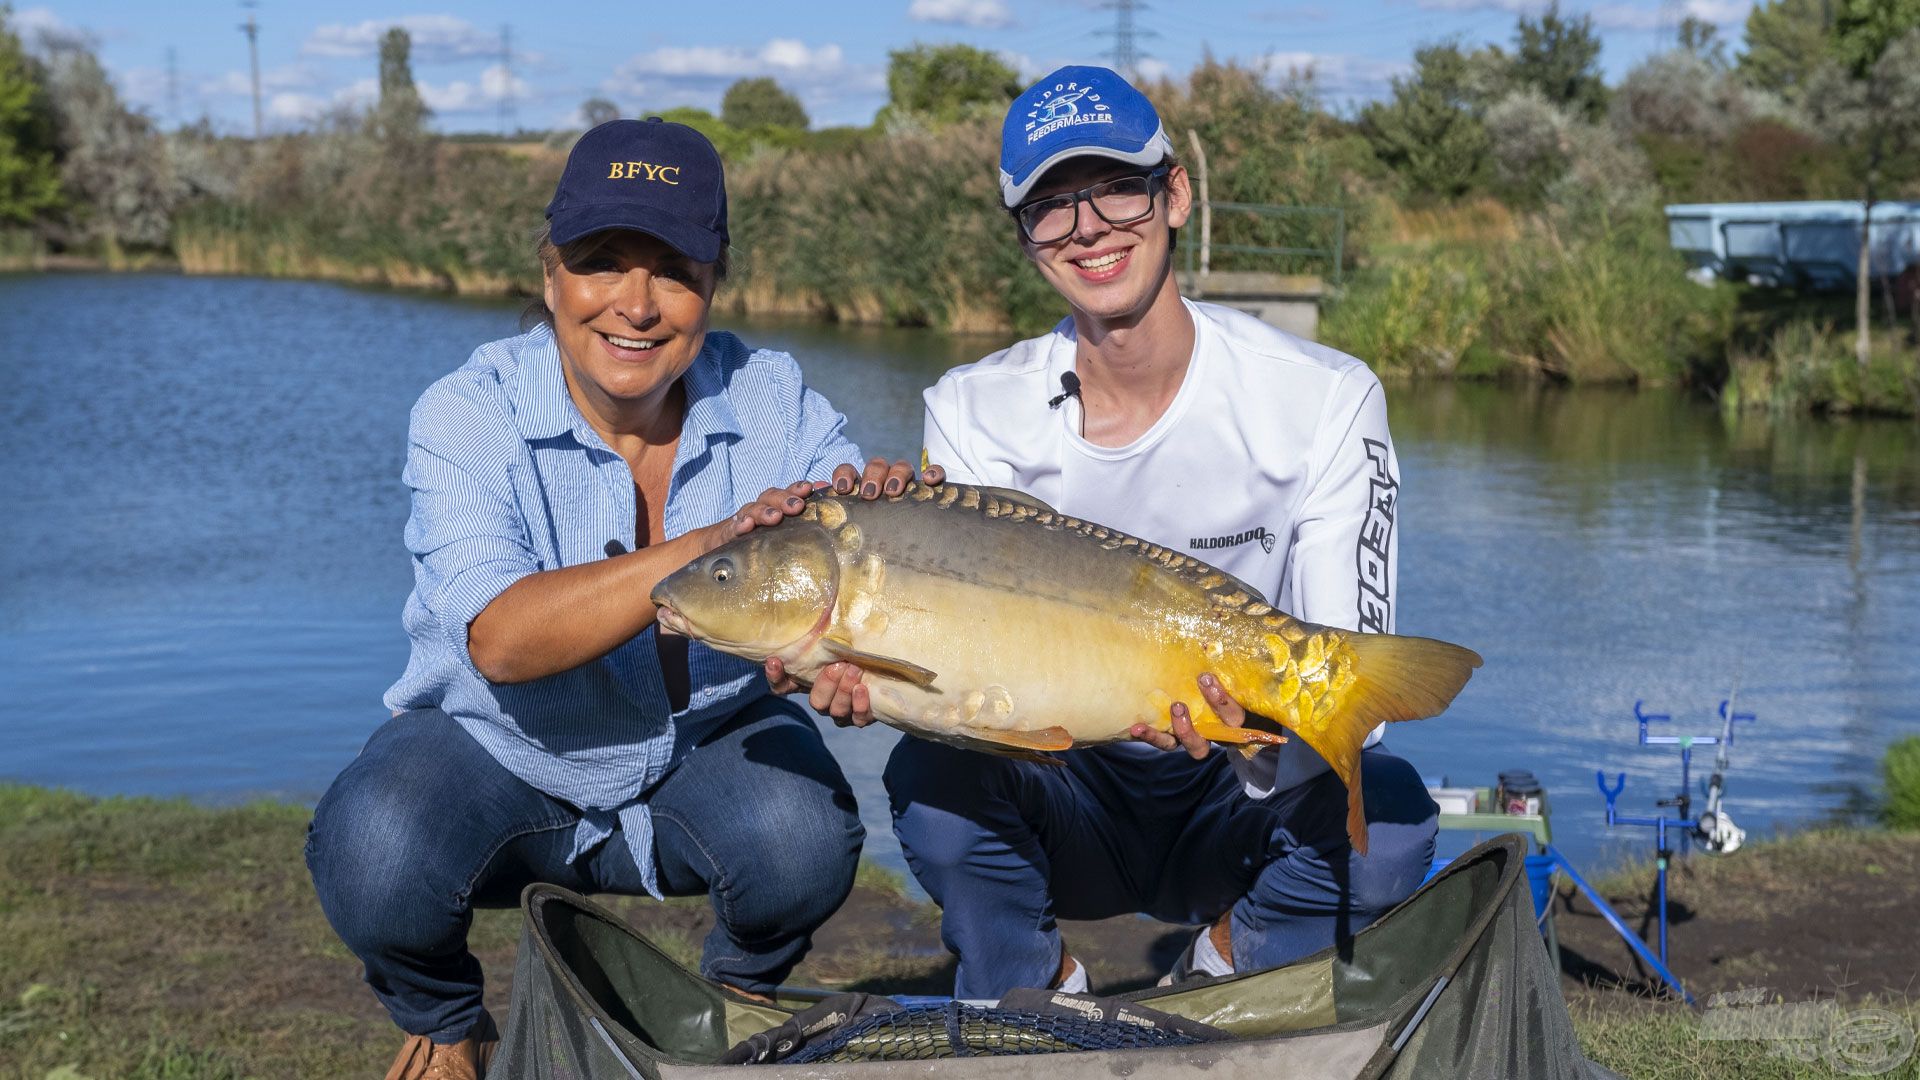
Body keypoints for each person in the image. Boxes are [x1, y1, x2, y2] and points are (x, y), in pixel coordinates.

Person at [304, 118, 927, 1080]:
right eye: (602, 262)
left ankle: (736, 997)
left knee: (803, 840)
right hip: (496, 744)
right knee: (373, 847)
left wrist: (857, 637)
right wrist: (711, 543)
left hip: (706, 748)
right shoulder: (466, 411)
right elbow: (504, 642)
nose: (635, 305)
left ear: (712, 284)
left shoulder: (772, 396)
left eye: (673, 268)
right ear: (551, 274)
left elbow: (860, 570)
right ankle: (444, 1020)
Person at [874, 67, 1441, 1000]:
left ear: (1173, 194)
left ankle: (1223, 961)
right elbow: (968, 669)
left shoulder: (1326, 397)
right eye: (1051, 206)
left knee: (1391, 818)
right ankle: (1036, 992)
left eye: (1115, 190)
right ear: (1026, 239)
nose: (1088, 226)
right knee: (929, 777)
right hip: (1067, 778)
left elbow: (1353, 673)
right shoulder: (973, 408)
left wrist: (1242, 732)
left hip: (1236, 780)